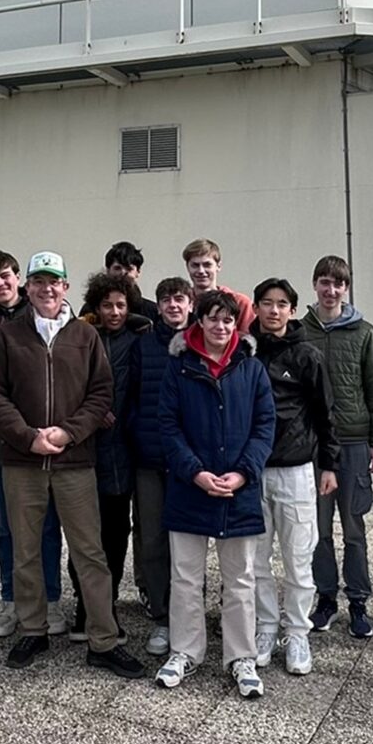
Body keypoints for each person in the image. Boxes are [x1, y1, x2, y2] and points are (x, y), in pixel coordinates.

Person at [0, 251, 143, 678]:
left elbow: (101, 393)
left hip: (74, 462)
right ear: (27, 287)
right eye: (38, 281)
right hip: (22, 462)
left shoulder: (84, 336)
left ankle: (103, 640)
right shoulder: (8, 335)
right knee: (26, 550)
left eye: (54, 281)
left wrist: (67, 433)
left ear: (66, 288)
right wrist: (28, 436)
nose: (46, 288)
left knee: (90, 552)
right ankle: (33, 630)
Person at [155, 289, 276, 698]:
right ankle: (185, 651)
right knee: (186, 576)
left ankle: (240, 656)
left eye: (228, 320)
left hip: (238, 490)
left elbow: (265, 427)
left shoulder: (252, 368)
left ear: (236, 325)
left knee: (240, 578)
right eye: (213, 319)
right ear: (199, 322)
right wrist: (195, 472)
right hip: (191, 487)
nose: (220, 327)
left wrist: (243, 474)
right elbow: (167, 427)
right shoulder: (179, 368)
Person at [249, 277, 338, 676]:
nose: (273, 310)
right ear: (256, 307)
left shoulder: (307, 355)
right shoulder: (243, 352)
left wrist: (330, 465)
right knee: (256, 560)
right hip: (251, 472)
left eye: (282, 303)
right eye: (266, 303)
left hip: (296, 470)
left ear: (291, 309)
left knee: (298, 560)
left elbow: (325, 414)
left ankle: (297, 633)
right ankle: (266, 629)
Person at [0, 248, 64, 638]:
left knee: (48, 526)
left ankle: (51, 599)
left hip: (52, 438)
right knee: (10, 528)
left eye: (5, 275)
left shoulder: (55, 315)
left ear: (20, 279)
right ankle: (12, 600)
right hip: (6, 439)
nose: (0, 283)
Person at [300, 254, 373, 640]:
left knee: (353, 528)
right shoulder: (299, 331)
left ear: (346, 288)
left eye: (338, 283)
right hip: (312, 445)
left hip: (353, 442)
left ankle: (358, 602)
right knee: (318, 530)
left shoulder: (365, 333)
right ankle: (325, 599)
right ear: (315, 285)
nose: (331, 289)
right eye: (324, 282)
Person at [69, 273, 148, 642]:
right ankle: (83, 607)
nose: (114, 312)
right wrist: (93, 410)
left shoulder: (138, 340)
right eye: (107, 305)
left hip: (122, 452)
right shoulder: (83, 337)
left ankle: (107, 604)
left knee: (116, 536)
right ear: (95, 307)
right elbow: (67, 385)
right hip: (85, 451)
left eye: (121, 305)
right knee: (84, 537)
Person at [126, 275, 194, 657]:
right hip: (150, 459)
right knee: (151, 538)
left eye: (180, 299)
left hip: (189, 463)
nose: (173, 305)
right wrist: (138, 435)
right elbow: (131, 398)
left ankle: (189, 613)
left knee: (188, 542)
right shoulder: (143, 345)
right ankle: (163, 617)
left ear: (190, 304)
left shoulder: (202, 344)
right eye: (166, 299)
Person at [182, 238, 254, 334]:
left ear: (218, 266)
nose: (201, 271)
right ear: (187, 267)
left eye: (207, 265)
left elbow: (249, 341)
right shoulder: (180, 304)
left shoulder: (240, 302)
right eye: (195, 265)